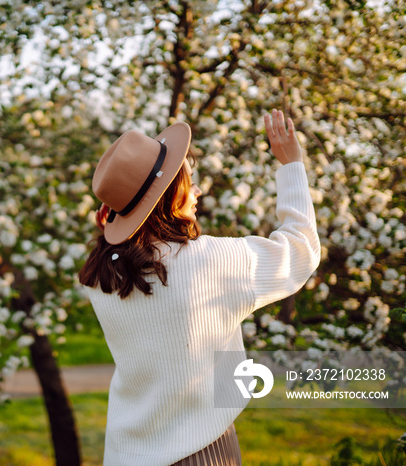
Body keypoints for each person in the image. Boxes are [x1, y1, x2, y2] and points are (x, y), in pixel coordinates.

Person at [78, 109, 321, 465]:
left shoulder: (101, 278)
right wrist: (291, 165)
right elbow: (301, 250)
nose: (198, 191)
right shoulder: (211, 261)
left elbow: (128, 250)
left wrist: (117, 221)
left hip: (126, 453)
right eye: (188, 182)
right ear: (170, 195)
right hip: (202, 451)